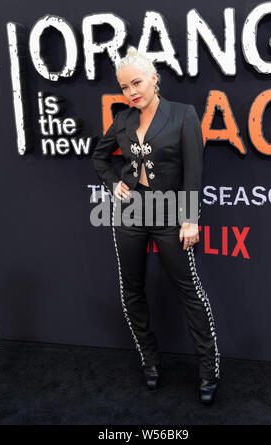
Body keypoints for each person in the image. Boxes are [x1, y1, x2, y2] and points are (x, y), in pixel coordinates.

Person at [92, 46, 220, 406]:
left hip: (171, 213)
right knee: (131, 289)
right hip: (131, 211)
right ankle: (150, 360)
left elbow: (194, 172)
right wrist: (112, 181)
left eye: (137, 82)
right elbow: (100, 157)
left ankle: (209, 370)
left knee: (189, 291)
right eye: (124, 87)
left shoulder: (183, 115)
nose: (131, 92)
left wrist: (191, 218)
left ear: (154, 79)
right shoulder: (123, 120)